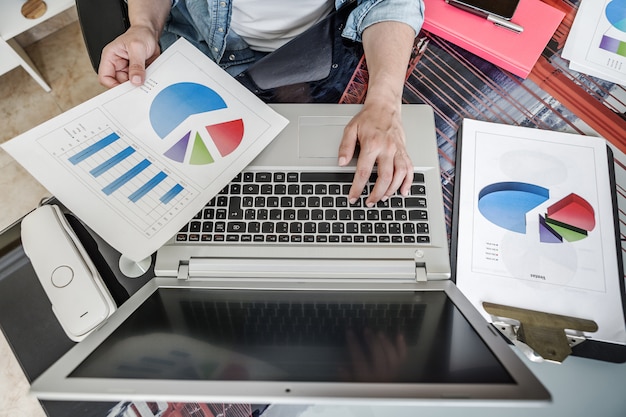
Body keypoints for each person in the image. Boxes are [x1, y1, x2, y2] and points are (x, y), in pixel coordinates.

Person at [98, 0, 423, 206]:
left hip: (317, 51)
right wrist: (144, 25)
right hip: (199, 50)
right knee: (178, 199)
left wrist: (383, 103)